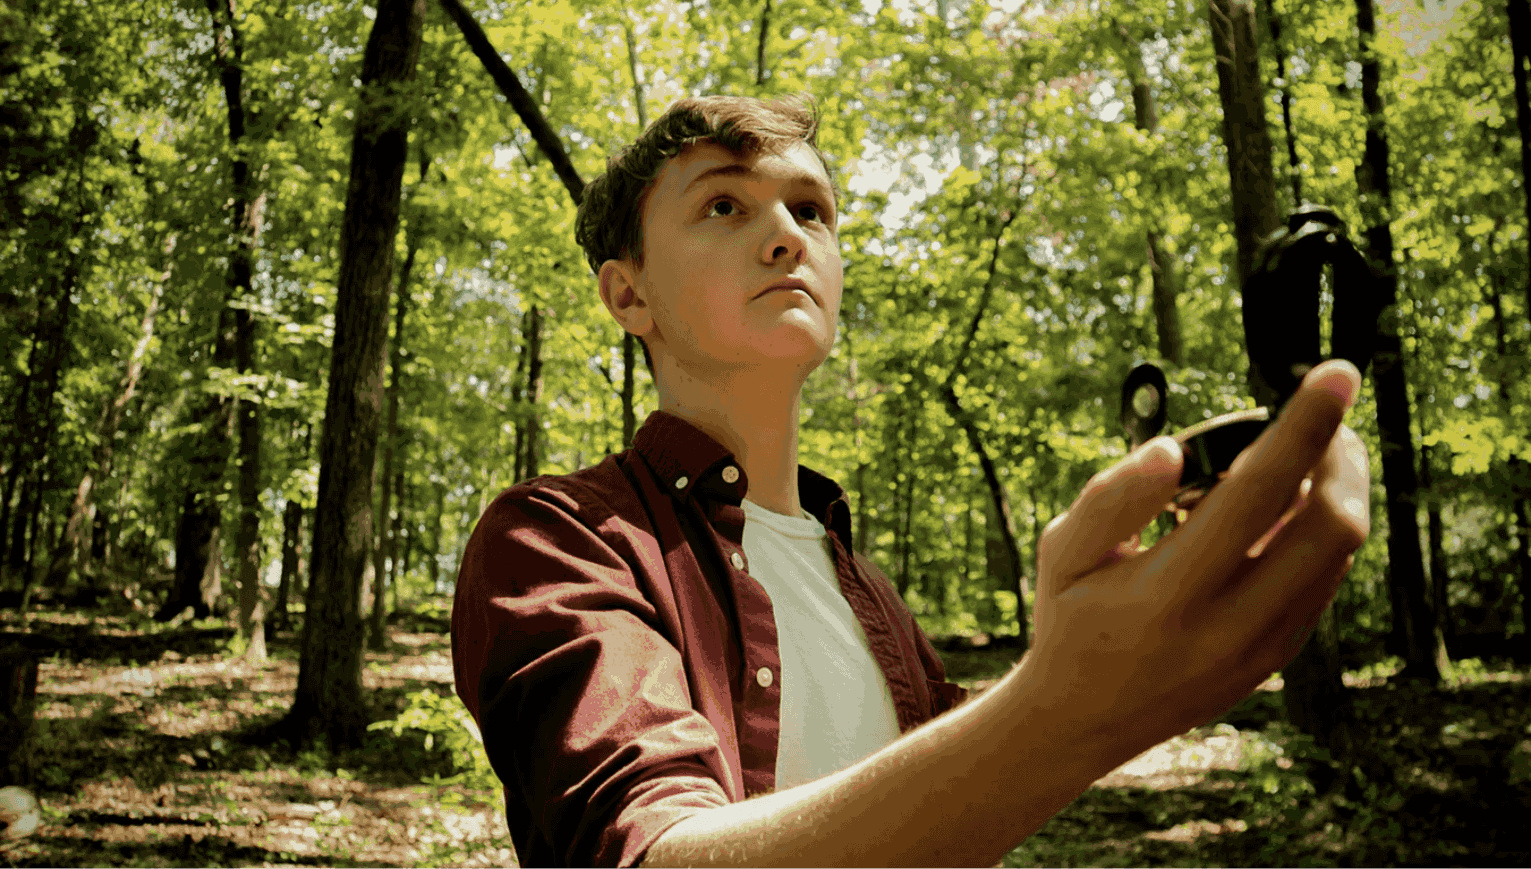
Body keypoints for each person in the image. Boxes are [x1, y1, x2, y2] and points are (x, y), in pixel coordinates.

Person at [451, 94, 1371, 868]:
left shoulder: (871, 595)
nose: (784, 233)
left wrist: (1103, 666)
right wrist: (1058, 712)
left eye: (810, 210)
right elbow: (650, 851)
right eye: (723, 206)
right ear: (627, 295)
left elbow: (952, 814)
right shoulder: (556, 537)